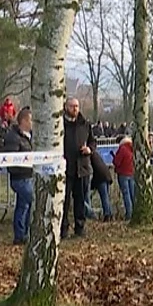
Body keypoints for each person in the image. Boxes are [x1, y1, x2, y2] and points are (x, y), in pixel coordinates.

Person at [61, 98, 97, 239]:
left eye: (76, 106)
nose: (75, 109)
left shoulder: (85, 124)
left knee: (80, 200)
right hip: (66, 169)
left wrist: (89, 149)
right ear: (66, 107)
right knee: (64, 201)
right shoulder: (61, 125)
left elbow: (93, 141)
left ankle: (80, 227)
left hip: (82, 168)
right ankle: (63, 229)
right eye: (72, 106)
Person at [3, 109, 33, 244]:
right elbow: (12, 160)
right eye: (31, 120)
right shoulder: (13, 137)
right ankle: (24, 232)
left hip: (28, 176)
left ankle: (20, 235)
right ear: (24, 121)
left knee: (23, 206)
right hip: (19, 177)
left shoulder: (29, 136)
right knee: (32, 201)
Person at [112, 136, 135, 221]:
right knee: (132, 194)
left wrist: (114, 158)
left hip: (123, 173)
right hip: (131, 172)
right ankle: (134, 212)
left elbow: (117, 162)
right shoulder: (132, 147)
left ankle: (129, 213)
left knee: (126, 194)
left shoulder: (122, 149)